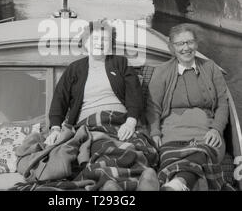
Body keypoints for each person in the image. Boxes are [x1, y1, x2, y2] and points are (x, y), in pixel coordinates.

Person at [18, 20, 159, 191]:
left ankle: (127, 181)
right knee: (101, 149)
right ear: (85, 43)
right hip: (90, 125)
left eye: (104, 40)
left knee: (133, 147)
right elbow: (59, 100)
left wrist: (130, 121)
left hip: (120, 122)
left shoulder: (120, 63)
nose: (99, 43)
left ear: (110, 45)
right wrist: (55, 128)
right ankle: (118, 183)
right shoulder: (74, 69)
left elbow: (134, 94)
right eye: (95, 40)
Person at [146, 23, 231, 191]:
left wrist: (216, 129)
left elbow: (222, 104)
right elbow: (152, 107)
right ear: (172, 47)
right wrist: (155, 132)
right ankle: (182, 183)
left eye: (190, 42)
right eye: (180, 44)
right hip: (172, 132)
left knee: (205, 150)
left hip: (207, 132)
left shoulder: (211, 67)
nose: (186, 48)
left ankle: (177, 182)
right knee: (198, 160)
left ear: (196, 44)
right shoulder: (161, 72)